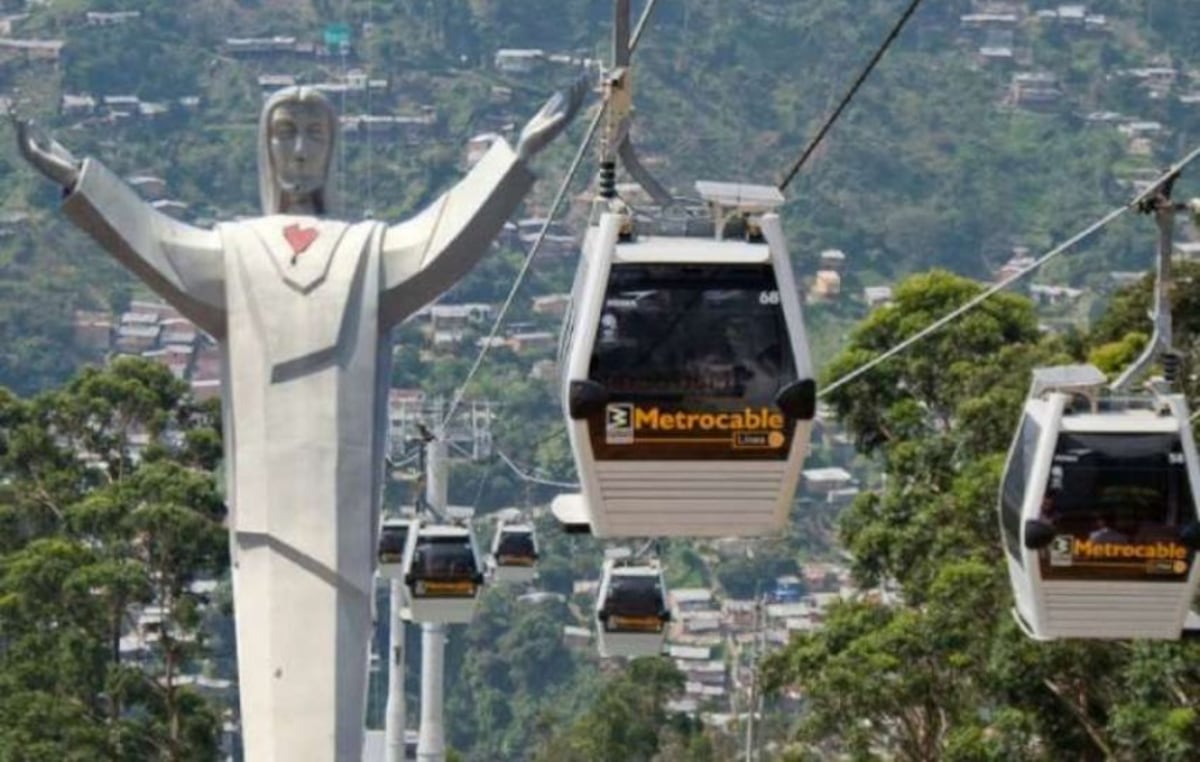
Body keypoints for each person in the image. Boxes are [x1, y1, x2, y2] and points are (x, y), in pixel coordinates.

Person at [14, 78, 586, 762]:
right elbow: (158, 243)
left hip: (341, 514)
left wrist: (516, 156)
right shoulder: (236, 252)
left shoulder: (366, 252)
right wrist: (80, 179)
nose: (300, 149)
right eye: (285, 132)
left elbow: (441, 237)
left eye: (315, 133)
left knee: (331, 684)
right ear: (264, 146)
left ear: (334, 148)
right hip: (263, 514)